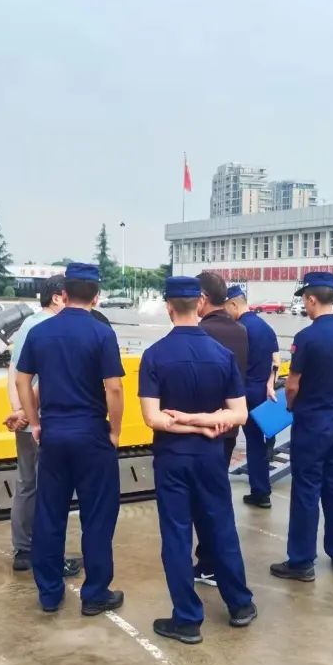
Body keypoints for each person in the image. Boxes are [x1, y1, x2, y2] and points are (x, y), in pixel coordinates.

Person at [139, 276, 257, 644]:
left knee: (176, 533)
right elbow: (238, 414)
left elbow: (153, 418)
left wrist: (186, 420)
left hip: (172, 455)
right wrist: (207, 422)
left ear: (169, 307)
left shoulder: (155, 355)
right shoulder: (221, 356)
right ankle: (239, 604)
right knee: (220, 525)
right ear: (199, 303)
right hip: (210, 453)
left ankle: (187, 619)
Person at [15, 262, 125, 615]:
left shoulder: (41, 332)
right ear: (96, 295)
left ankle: (49, 593)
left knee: (50, 514)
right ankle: (94, 595)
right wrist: (115, 431)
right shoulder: (101, 334)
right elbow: (115, 387)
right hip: (92, 433)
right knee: (97, 514)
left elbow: (22, 381)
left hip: (54, 433)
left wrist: (35, 422)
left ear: (63, 294)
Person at [270, 271, 333, 581]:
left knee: (306, 488)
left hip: (311, 420)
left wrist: (291, 406)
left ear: (311, 299)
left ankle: (301, 561)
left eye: (305, 301)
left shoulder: (306, 338)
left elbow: (293, 385)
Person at [5, 275, 81, 577]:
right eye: (70, 297)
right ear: (58, 298)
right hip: (40, 418)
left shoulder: (27, 325)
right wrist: (29, 414)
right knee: (48, 489)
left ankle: (24, 549)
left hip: (26, 415)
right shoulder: (46, 327)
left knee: (26, 484)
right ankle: (46, 555)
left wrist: (18, 410)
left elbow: (14, 372)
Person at [192, 270, 249, 586]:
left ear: (201, 298)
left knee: (204, 500)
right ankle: (213, 560)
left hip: (203, 427)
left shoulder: (201, 333)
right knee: (217, 493)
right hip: (228, 425)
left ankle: (210, 562)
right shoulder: (240, 331)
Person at [225, 284, 280, 508]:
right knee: (257, 444)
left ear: (234, 304)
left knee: (226, 438)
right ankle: (261, 492)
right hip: (261, 392)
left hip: (241, 391)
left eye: (226, 307)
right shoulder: (266, 328)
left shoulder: (238, 330)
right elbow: (276, 361)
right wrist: (270, 383)